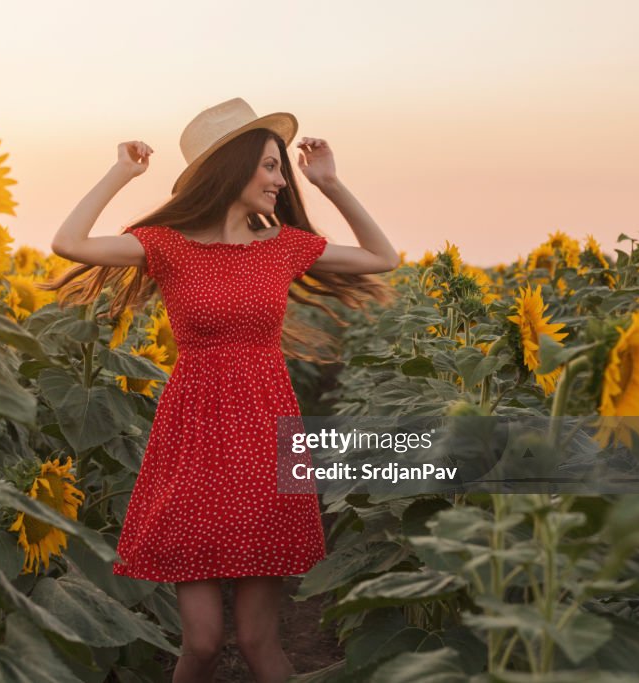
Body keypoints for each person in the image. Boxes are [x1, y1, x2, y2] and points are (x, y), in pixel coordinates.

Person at [47, 98, 399, 683]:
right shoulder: (168, 245)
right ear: (232, 169)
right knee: (204, 643)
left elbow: (381, 258)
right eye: (268, 166)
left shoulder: (284, 247)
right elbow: (69, 242)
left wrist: (332, 185)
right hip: (197, 435)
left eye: (280, 168)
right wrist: (121, 173)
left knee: (262, 643)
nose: (280, 180)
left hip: (268, 431)